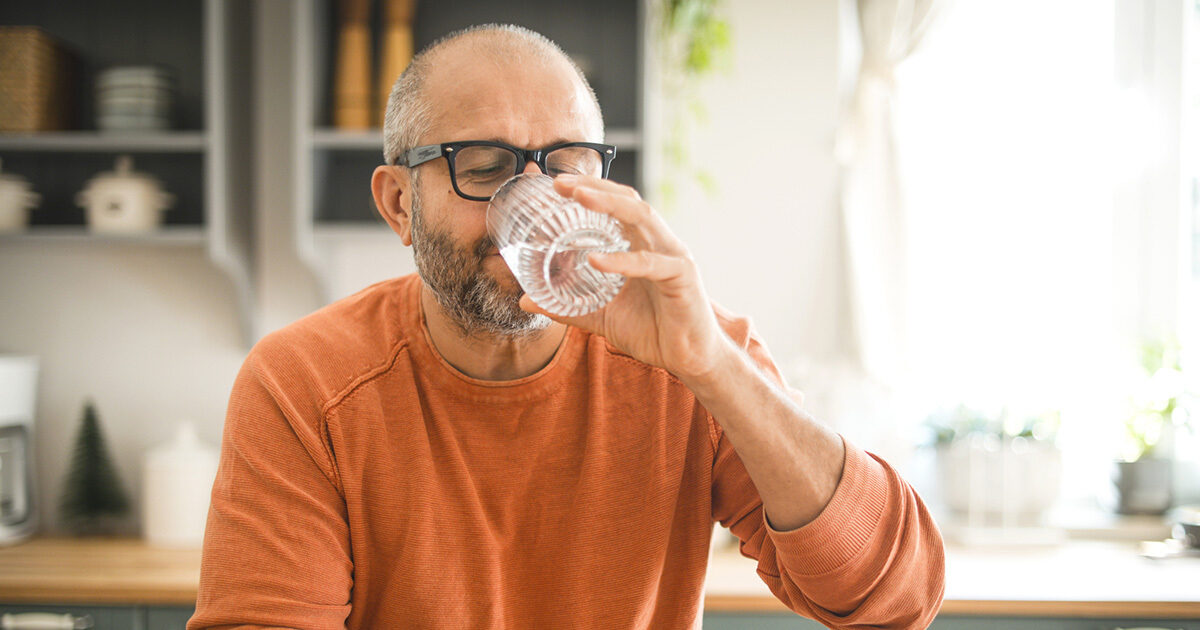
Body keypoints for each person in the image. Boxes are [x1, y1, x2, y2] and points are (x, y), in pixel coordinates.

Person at [188, 23, 944, 630]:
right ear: (397, 206)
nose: (535, 201)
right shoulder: (306, 383)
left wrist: (711, 366)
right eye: (483, 168)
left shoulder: (690, 351)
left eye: (568, 164)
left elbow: (894, 600)